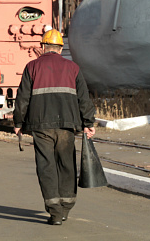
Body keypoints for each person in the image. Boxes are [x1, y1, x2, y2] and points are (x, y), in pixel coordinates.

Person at [13, 28, 96, 226]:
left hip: (41, 126)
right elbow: (83, 98)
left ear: (43, 47)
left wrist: (18, 123)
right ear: (60, 48)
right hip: (67, 125)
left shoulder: (32, 67)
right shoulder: (73, 68)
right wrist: (88, 123)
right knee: (66, 164)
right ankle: (66, 206)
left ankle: (55, 212)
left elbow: (22, 98)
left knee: (46, 167)